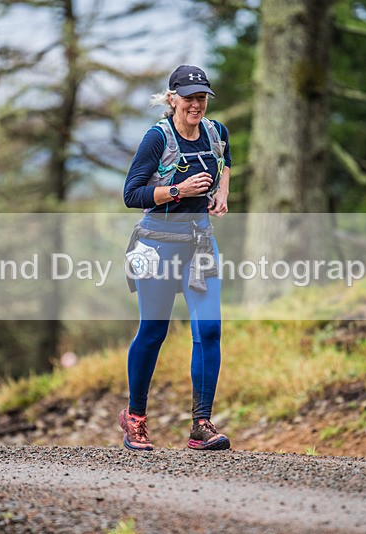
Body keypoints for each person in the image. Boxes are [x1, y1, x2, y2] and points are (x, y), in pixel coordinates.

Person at [120, 64, 232, 452]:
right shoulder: (157, 138)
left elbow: (225, 160)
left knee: (210, 329)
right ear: (172, 100)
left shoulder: (217, 132)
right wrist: (177, 189)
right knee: (153, 331)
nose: (196, 105)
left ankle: (201, 424)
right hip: (158, 245)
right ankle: (134, 417)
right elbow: (131, 194)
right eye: (188, 98)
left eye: (201, 97)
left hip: (200, 243)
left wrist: (222, 193)